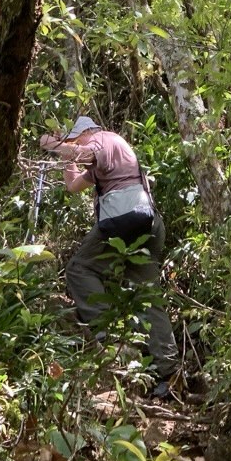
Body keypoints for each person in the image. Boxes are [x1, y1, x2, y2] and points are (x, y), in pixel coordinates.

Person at [40, 115, 179, 398]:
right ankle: (168, 371)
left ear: (85, 133)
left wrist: (52, 144)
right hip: (148, 222)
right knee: (148, 295)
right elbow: (73, 186)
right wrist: (67, 155)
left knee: (79, 270)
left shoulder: (104, 139)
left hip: (122, 220)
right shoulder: (114, 156)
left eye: (77, 139)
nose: (77, 145)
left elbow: (85, 151)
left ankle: (110, 338)